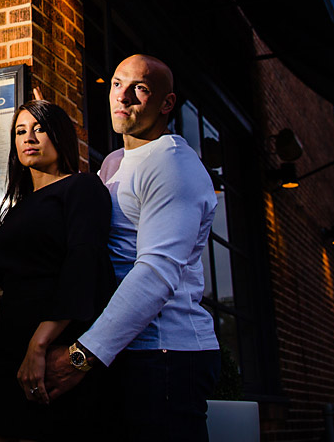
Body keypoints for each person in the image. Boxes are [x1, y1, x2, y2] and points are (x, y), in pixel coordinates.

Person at [44, 54, 220, 442]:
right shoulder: (114, 163)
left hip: (166, 353)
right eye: (117, 84)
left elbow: (155, 273)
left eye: (139, 89)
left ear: (166, 104)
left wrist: (81, 356)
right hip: (124, 350)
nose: (122, 98)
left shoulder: (173, 165)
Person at [0, 100, 116, 442]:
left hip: (55, 345)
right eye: (20, 131)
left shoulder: (83, 188)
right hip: (11, 345)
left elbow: (83, 264)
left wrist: (40, 344)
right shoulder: (18, 208)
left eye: (40, 128)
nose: (29, 137)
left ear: (59, 135)